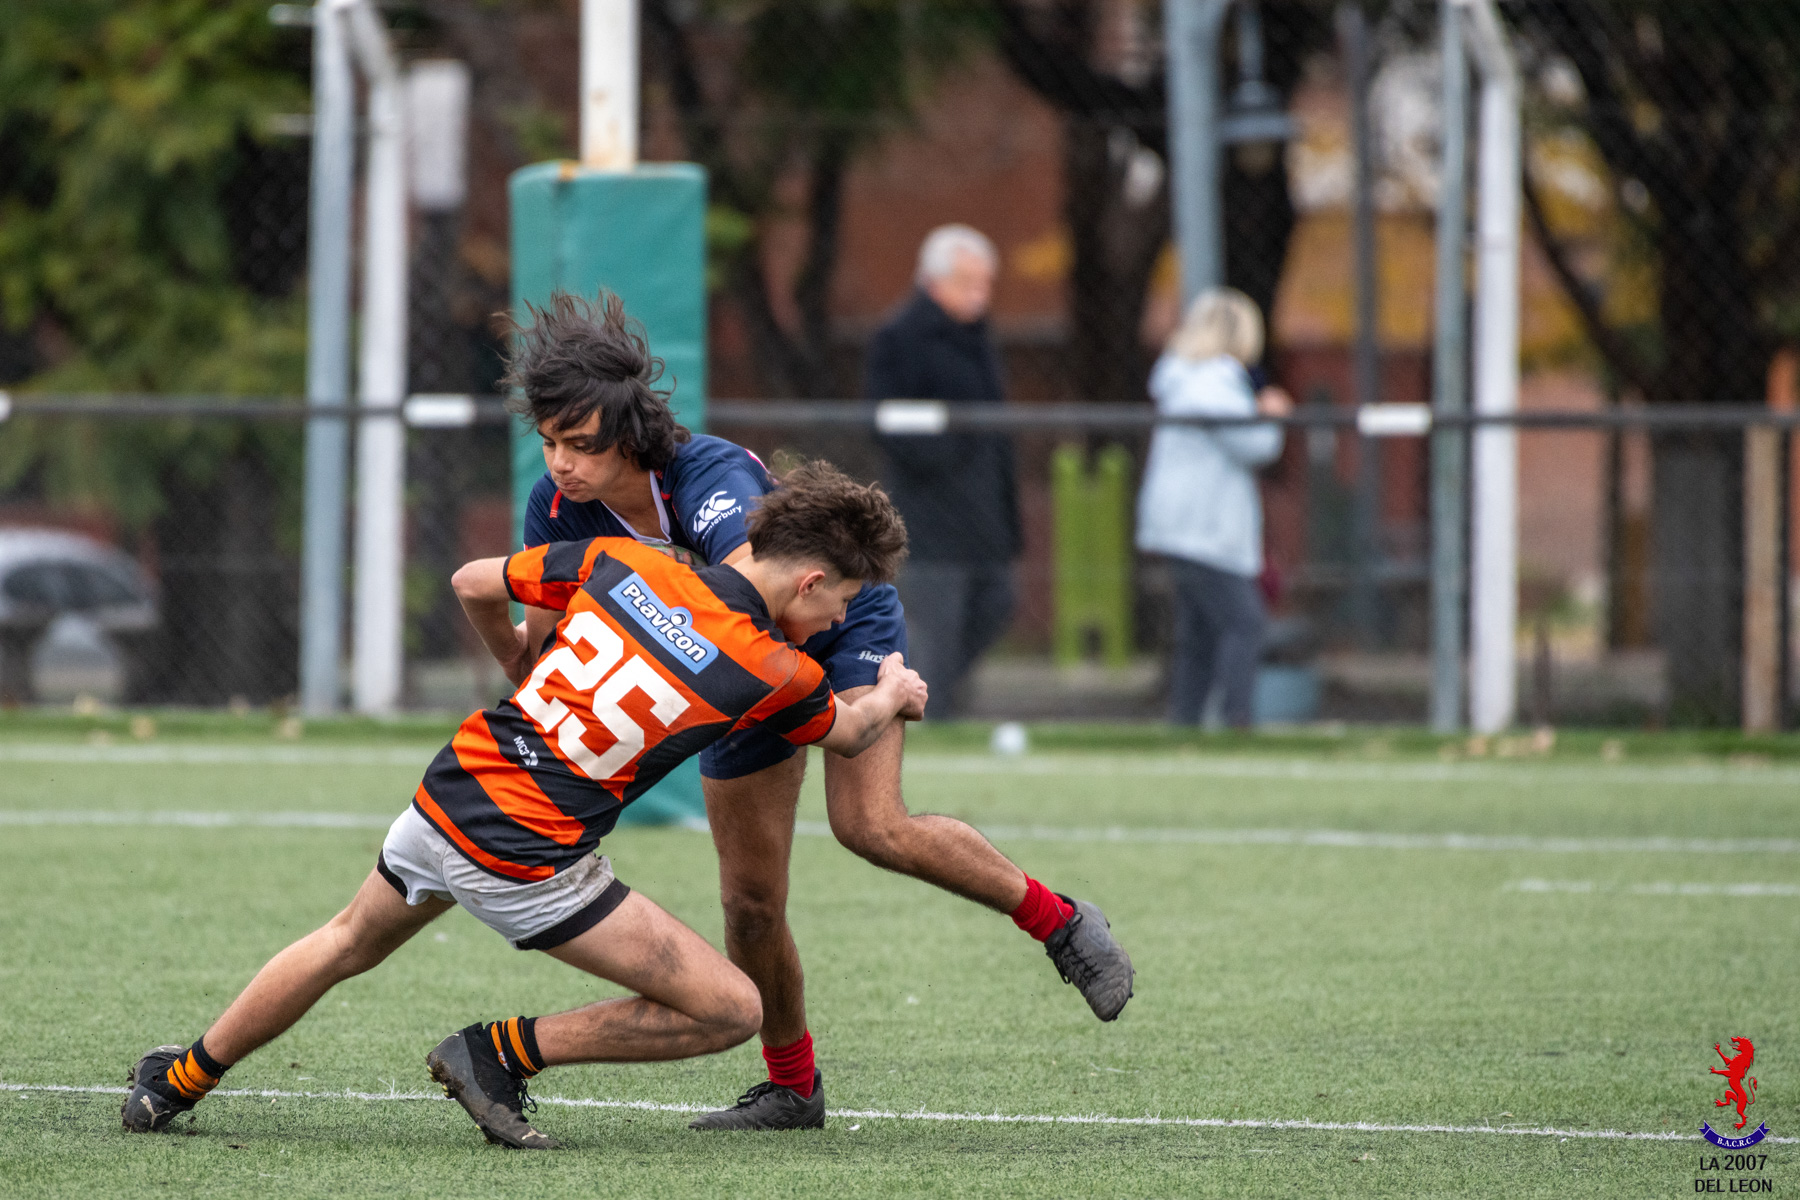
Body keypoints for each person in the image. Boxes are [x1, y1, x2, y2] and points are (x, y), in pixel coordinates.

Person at [122, 463, 929, 1148]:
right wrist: (894, 689)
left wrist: (516, 656)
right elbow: (853, 732)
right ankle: (500, 1052)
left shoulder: (625, 560)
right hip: (523, 859)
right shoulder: (773, 670)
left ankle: (178, 1079)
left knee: (343, 941)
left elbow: (474, 580)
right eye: (842, 602)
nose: (836, 620)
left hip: (450, 794)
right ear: (813, 579)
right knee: (731, 1010)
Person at [512, 290, 1134, 1132]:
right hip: (732, 665)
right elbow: (546, 645)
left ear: (629, 433)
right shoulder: (554, 507)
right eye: (548, 443)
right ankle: (793, 1088)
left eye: (579, 445)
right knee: (751, 905)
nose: (560, 464)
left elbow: (749, 602)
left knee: (871, 825)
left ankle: (1059, 924)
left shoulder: (707, 477)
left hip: (830, 619)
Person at [867, 224, 1020, 718]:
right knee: (937, 624)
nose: (982, 293)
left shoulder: (978, 336)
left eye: (986, 281)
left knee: (995, 602)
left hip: (985, 513)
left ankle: (941, 703)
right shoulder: (901, 337)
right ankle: (933, 719)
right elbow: (887, 421)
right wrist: (949, 457)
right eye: (970, 281)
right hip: (930, 513)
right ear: (937, 280)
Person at [1135, 287, 1291, 729]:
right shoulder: (1214, 382)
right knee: (1245, 623)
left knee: (1199, 634)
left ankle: (1185, 723)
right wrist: (1271, 416)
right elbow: (1254, 445)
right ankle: (1235, 718)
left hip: (1182, 525)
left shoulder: (1182, 379)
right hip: (1202, 528)